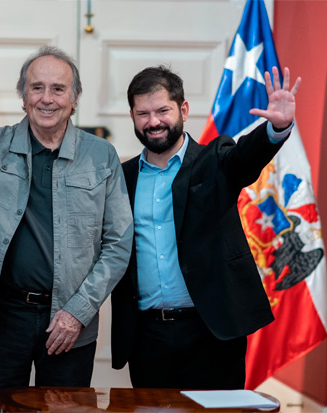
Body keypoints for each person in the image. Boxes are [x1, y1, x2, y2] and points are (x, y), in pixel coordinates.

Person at [0, 46, 133, 411]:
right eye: (36, 87)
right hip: (2, 316)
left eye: (58, 89)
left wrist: (78, 312)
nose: (47, 98)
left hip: (70, 321)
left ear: (74, 100)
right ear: (23, 97)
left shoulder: (101, 155)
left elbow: (118, 244)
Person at [110, 65, 301, 389]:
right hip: (146, 336)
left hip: (211, 331)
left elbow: (245, 157)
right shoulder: (121, 177)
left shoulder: (215, 161)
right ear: (132, 116)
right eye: (143, 113)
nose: (153, 122)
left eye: (162, 110)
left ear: (183, 109)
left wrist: (276, 130)